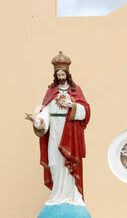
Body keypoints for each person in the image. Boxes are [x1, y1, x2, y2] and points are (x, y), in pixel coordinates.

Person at [29, 52, 90, 205]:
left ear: (67, 74)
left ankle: (71, 196)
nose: (61, 76)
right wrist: (38, 120)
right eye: (58, 74)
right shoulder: (51, 91)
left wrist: (72, 105)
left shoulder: (75, 90)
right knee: (54, 163)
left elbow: (86, 110)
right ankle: (57, 196)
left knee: (67, 162)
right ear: (55, 75)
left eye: (63, 73)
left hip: (69, 130)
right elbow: (45, 111)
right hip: (54, 129)